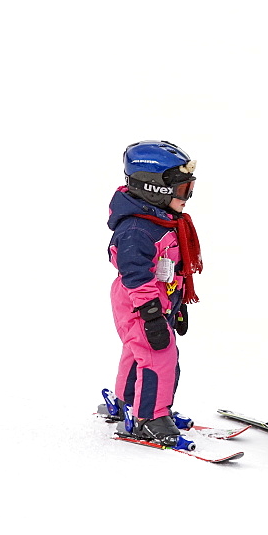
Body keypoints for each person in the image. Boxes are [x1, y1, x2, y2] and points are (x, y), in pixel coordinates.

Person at [106, 140, 203, 447]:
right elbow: (136, 277)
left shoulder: (161, 221)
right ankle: (150, 417)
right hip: (140, 304)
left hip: (156, 303)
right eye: (183, 190)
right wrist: (151, 315)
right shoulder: (137, 230)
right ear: (155, 189)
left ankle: (127, 402)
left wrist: (177, 305)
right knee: (159, 355)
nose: (187, 197)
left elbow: (170, 269)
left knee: (139, 353)